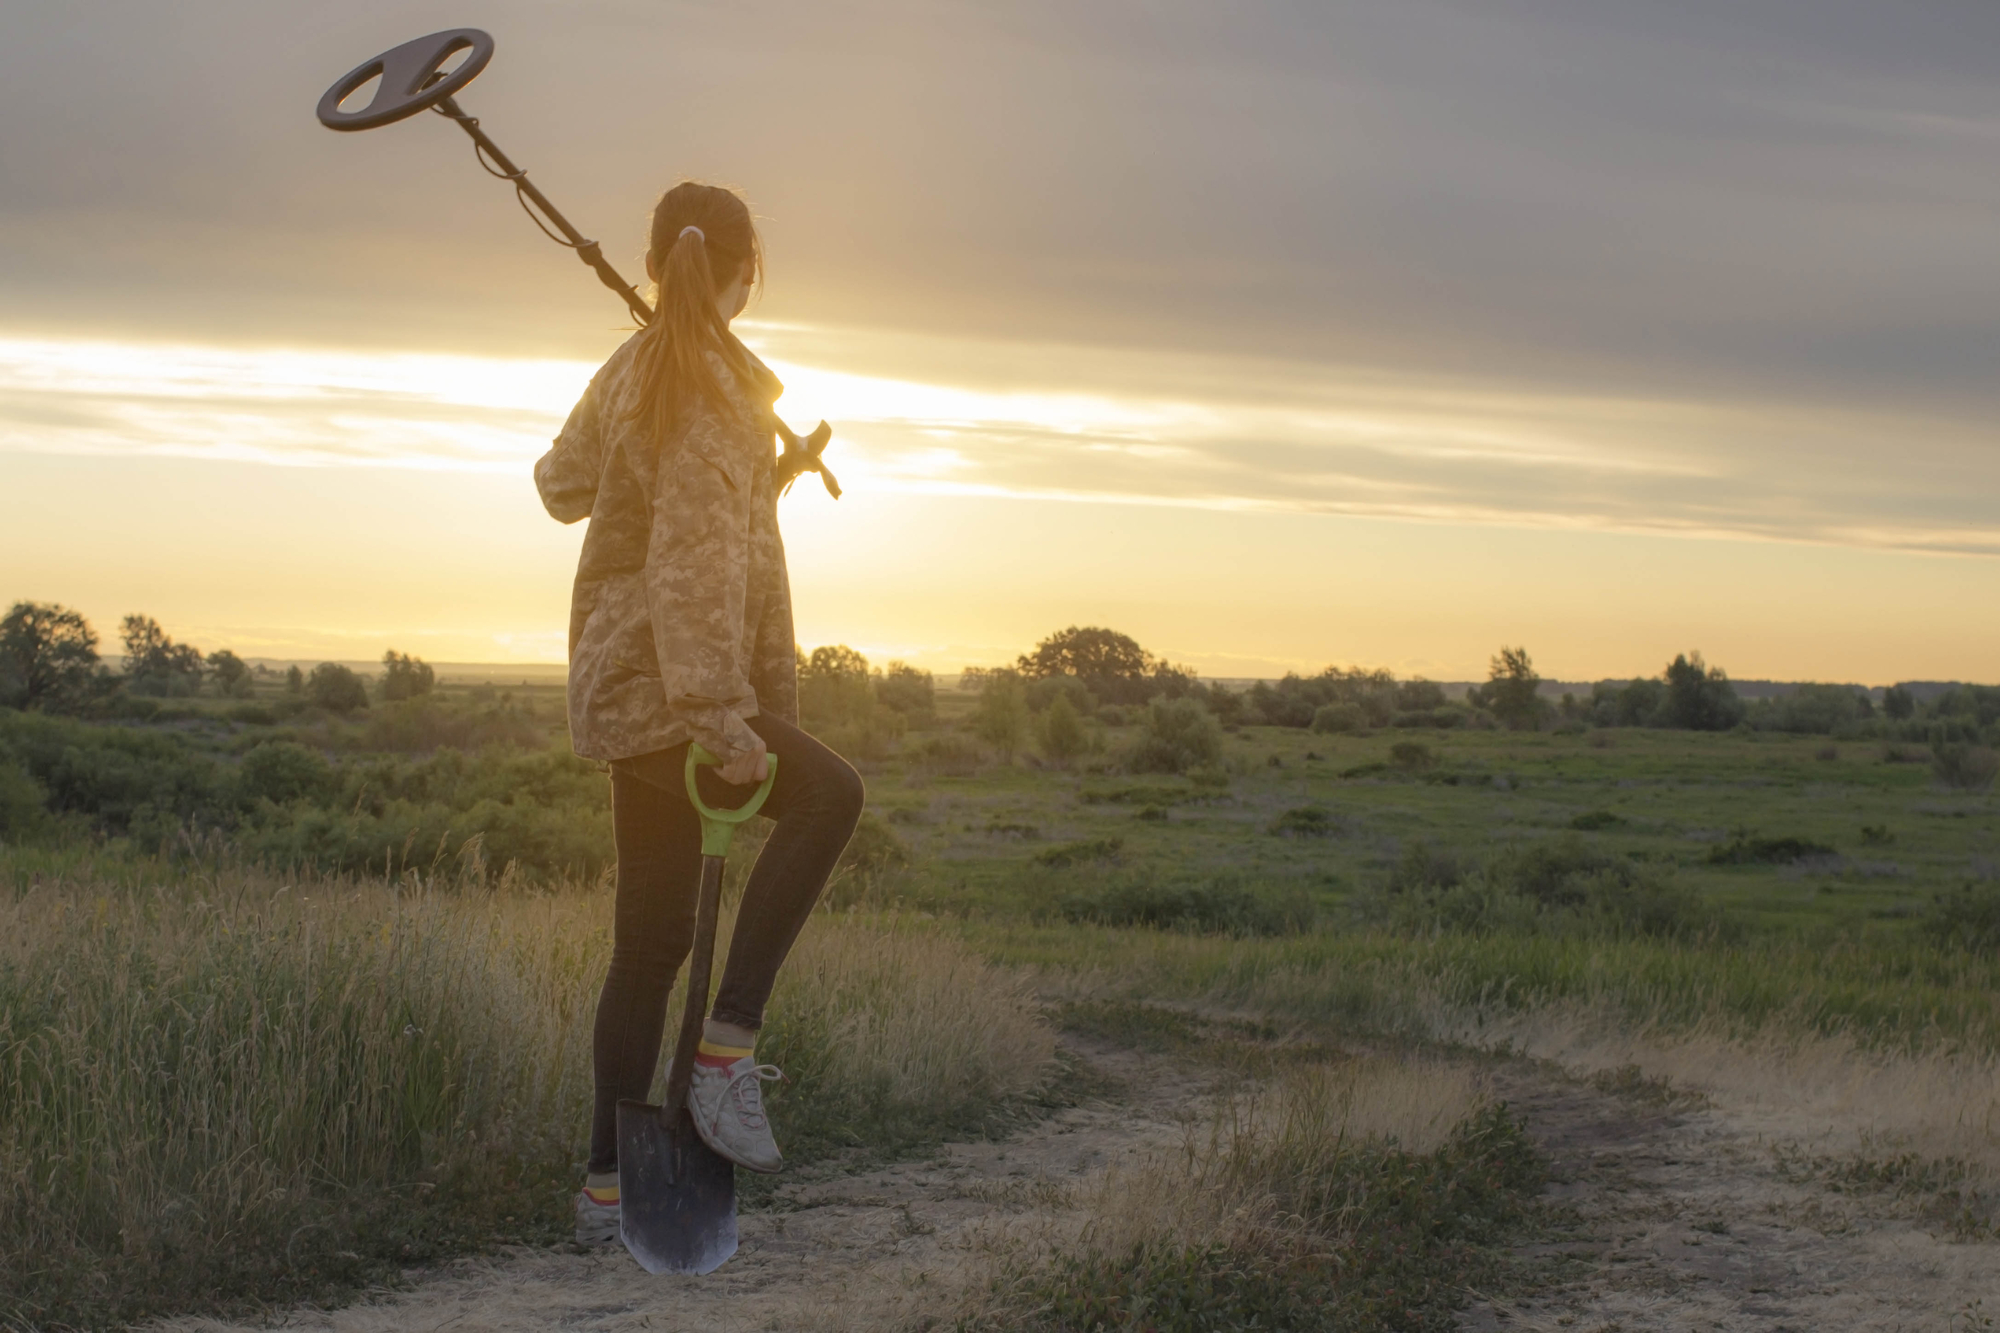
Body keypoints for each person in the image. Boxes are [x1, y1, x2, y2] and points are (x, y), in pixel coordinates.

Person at [533, 181, 864, 1247]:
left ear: (654, 263)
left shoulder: (639, 371)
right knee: (829, 795)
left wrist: (660, 402)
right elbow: (691, 559)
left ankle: (603, 1192)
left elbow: (559, 485)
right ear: (746, 272)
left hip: (624, 688)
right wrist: (722, 716)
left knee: (649, 946)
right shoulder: (711, 393)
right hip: (679, 691)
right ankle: (726, 1052)